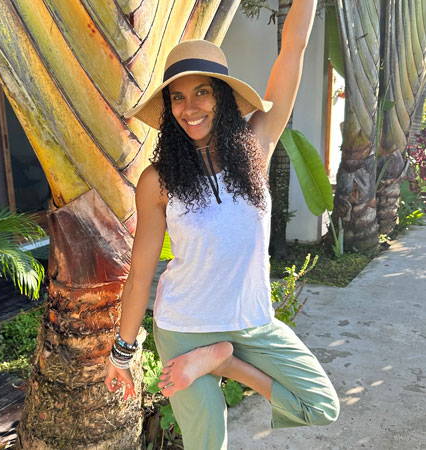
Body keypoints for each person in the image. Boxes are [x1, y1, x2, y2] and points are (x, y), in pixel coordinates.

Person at [104, 1, 340, 448]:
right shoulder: (158, 180)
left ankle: (223, 360)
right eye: (178, 97)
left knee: (320, 404)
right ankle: (212, 357)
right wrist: (123, 351)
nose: (189, 108)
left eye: (202, 93)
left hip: (251, 321)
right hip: (185, 328)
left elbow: (294, 48)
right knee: (207, 444)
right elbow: (140, 273)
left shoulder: (257, 144)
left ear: (224, 97)